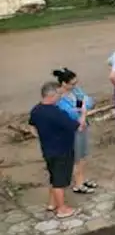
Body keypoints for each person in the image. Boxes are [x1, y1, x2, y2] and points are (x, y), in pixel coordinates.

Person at [29, 82, 80, 218]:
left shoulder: (36, 110)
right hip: (62, 151)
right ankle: (62, 209)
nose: (60, 96)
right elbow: (76, 126)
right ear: (51, 95)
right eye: (58, 94)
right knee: (60, 181)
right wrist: (83, 114)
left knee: (54, 176)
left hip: (47, 149)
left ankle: (52, 204)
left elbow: (32, 127)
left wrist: (44, 136)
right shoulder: (56, 113)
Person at [53, 68, 95, 195]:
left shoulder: (76, 91)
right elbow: (70, 113)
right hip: (71, 130)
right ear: (64, 83)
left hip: (82, 126)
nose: (75, 86)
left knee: (83, 155)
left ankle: (82, 178)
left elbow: (89, 101)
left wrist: (82, 108)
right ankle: (78, 184)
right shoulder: (59, 98)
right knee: (77, 157)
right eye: (72, 84)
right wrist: (81, 108)